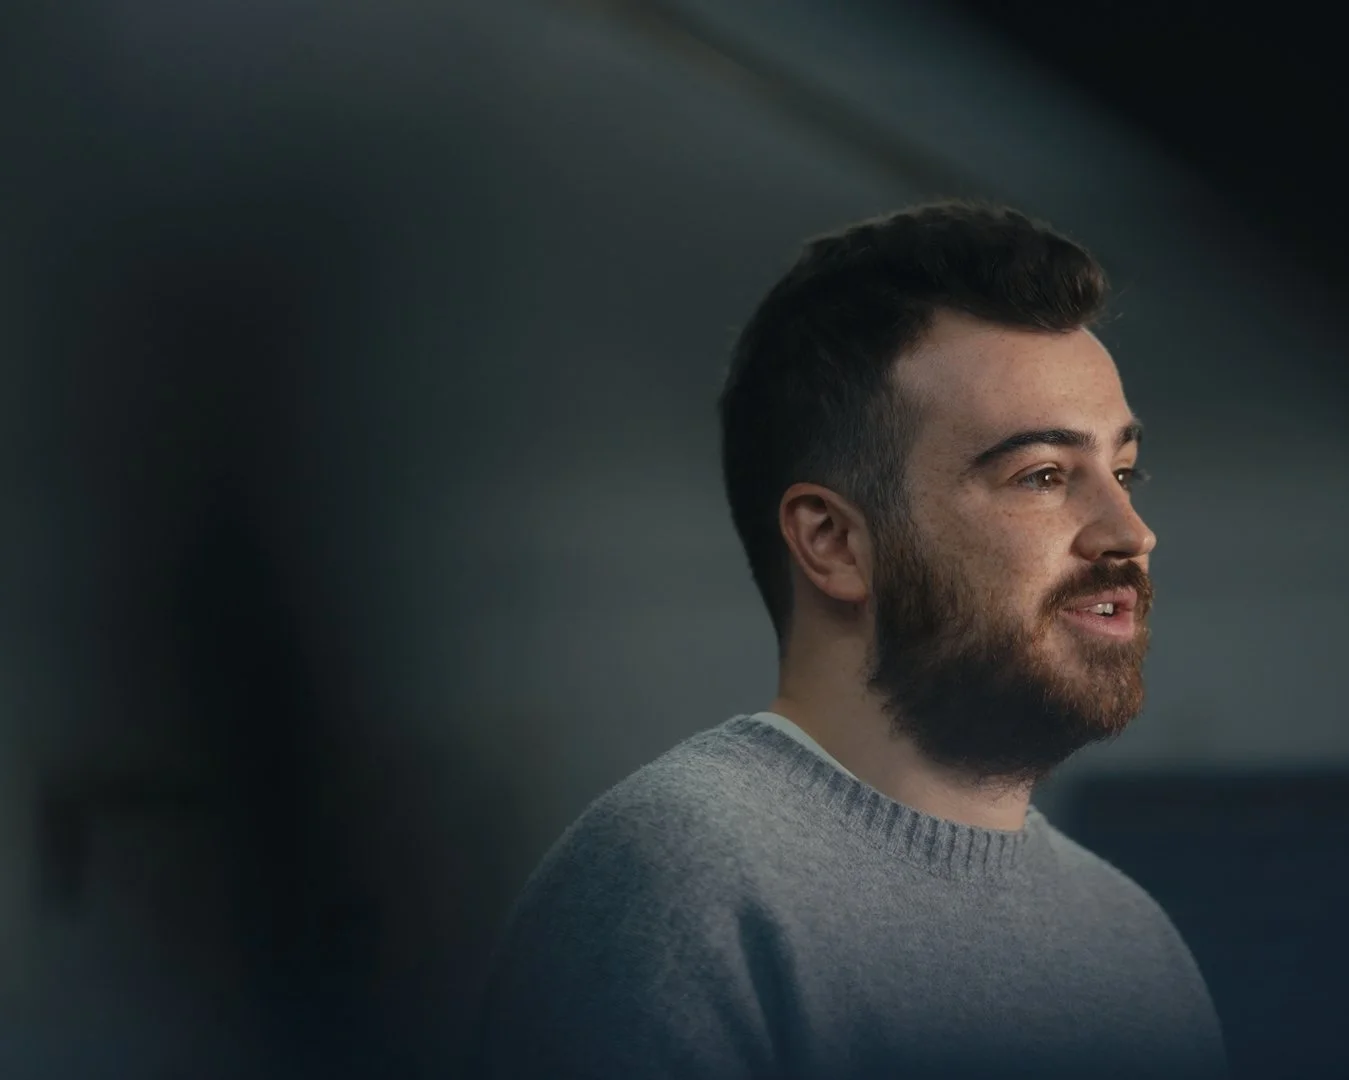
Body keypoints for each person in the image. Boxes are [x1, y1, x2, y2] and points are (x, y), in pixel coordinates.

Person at [473, 201, 1228, 1079]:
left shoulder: (1136, 946)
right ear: (833, 542)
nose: (1129, 532)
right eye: (1045, 475)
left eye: (1124, 472)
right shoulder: (682, 885)